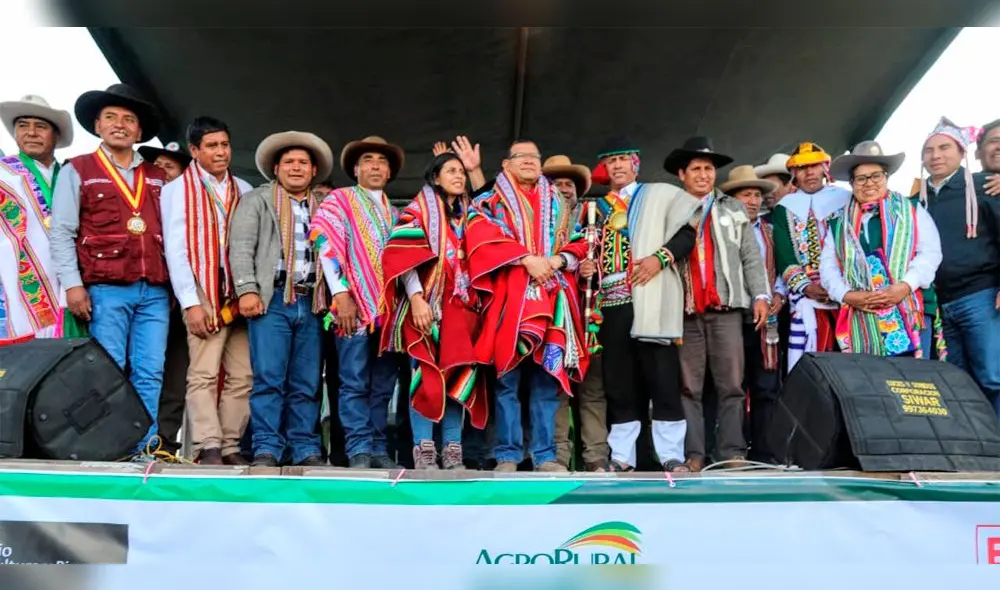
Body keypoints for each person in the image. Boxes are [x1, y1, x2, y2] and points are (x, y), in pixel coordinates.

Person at [50, 84, 170, 453]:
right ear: (98, 126)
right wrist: (73, 285)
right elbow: (62, 232)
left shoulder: (159, 176)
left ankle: (144, 446)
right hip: (106, 287)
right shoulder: (79, 170)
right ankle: (107, 447)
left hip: (156, 291)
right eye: (112, 118)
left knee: (150, 371)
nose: (121, 125)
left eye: (129, 120)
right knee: (110, 369)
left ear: (138, 132)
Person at [466, 139, 589, 473]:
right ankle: (507, 454)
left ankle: (545, 456)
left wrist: (558, 259)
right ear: (506, 165)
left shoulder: (558, 204)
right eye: (522, 157)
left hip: (553, 299)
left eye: (535, 157)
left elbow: (578, 240)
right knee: (506, 381)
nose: (530, 162)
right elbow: (479, 234)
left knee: (546, 378)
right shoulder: (489, 201)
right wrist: (524, 259)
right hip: (509, 302)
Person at [578, 138, 698, 472]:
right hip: (612, 302)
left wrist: (660, 259)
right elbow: (584, 249)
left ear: (635, 164)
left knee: (661, 376)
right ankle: (622, 457)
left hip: (651, 295)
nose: (617, 167)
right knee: (620, 382)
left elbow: (687, 234)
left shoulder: (659, 195)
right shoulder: (595, 208)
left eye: (622, 160)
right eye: (611, 161)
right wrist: (586, 266)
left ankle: (671, 454)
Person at [665, 138, 770, 471]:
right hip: (685, 310)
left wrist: (761, 295)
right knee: (688, 387)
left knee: (732, 385)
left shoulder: (732, 207)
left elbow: (751, 257)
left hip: (726, 309)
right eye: (695, 168)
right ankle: (693, 454)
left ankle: (732, 452)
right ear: (682, 174)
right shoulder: (670, 207)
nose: (703, 175)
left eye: (708, 169)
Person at [229, 131, 332, 467]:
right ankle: (266, 448)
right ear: (276, 168)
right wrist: (246, 289)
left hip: (312, 301)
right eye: (289, 162)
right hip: (272, 299)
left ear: (314, 170)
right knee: (269, 379)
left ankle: (305, 448)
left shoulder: (324, 206)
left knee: (307, 382)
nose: (296, 167)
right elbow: (241, 247)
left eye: (303, 162)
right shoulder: (257, 201)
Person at [380, 152, 486, 470]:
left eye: (461, 172)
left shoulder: (472, 214)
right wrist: (416, 298)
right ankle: (423, 449)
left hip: (463, 309)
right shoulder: (419, 210)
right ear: (435, 178)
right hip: (428, 308)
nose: (458, 176)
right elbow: (402, 257)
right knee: (425, 377)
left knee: (457, 377)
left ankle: (452, 448)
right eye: (450, 171)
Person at [161, 116, 254, 465]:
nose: (220, 152)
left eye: (225, 145)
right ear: (194, 150)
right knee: (203, 372)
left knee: (243, 373)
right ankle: (207, 445)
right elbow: (176, 249)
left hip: (238, 289)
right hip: (201, 287)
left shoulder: (243, 189)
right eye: (212, 146)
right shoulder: (176, 190)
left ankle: (230, 446)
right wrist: (190, 303)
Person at [310, 136, 403, 469]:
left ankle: (378, 448)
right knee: (353, 381)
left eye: (381, 160)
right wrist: (341, 294)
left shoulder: (397, 214)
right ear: (355, 168)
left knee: (382, 386)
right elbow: (326, 245)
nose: (375, 165)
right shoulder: (340, 200)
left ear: (389, 171)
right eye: (368, 160)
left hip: (389, 313)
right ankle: (358, 448)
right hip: (352, 308)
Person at [821, 141, 941, 358]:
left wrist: (904, 286)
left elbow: (930, 253)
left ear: (886, 177)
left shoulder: (911, 211)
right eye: (861, 178)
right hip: (861, 313)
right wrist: (847, 295)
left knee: (914, 381)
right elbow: (828, 266)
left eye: (876, 175)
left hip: (910, 307)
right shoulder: (838, 223)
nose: (869, 183)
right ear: (852, 183)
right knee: (873, 381)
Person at [918, 118, 1000, 415]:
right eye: (928, 150)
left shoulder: (985, 185)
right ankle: (977, 450)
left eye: (944, 148)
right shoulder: (915, 202)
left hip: (982, 296)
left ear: (962, 152)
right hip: (940, 303)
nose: (935, 156)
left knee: (992, 375)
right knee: (957, 382)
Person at [542, 154, 607, 470]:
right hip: (554, 321)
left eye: (569, 184)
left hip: (590, 321)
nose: (564, 189)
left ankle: (596, 457)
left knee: (592, 391)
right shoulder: (540, 225)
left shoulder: (597, 220)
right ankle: (557, 457)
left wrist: (596, 268)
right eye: (557, 183)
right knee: (556, 389)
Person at [718, 165, 785, 463]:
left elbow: (784, 266)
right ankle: (726, 451)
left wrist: (779, 294)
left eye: (758, 195)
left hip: (766, 319)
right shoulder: (718, 230)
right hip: (728, 316)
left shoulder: (772, 231)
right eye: (747, 194)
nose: (754, 201)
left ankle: (765, 453)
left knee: (766, 387)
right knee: (727, 385)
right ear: (732, 198)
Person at [771, 142, 851, 371]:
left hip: (848, 295)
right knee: (810, 363)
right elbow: (785, 257)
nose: (809, 173)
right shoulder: (784, 208)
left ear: (825, 167)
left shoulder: (846, 199)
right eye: (802, 168)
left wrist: (840, 288)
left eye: (814, 166)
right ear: (794, 174)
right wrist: (807, 287)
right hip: (807, 296)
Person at [0, 95, 73, 341]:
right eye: (22, 125)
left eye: (40, 126)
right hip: (21, 285)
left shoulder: (71, 175)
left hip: (72, 284)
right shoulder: (3, 174)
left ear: (56, 135)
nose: (30, 133)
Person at [754, 153, 793, 219]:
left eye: (771, 186)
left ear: (789, 185)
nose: (766, 193)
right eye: (764, 187)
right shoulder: (759, 225)